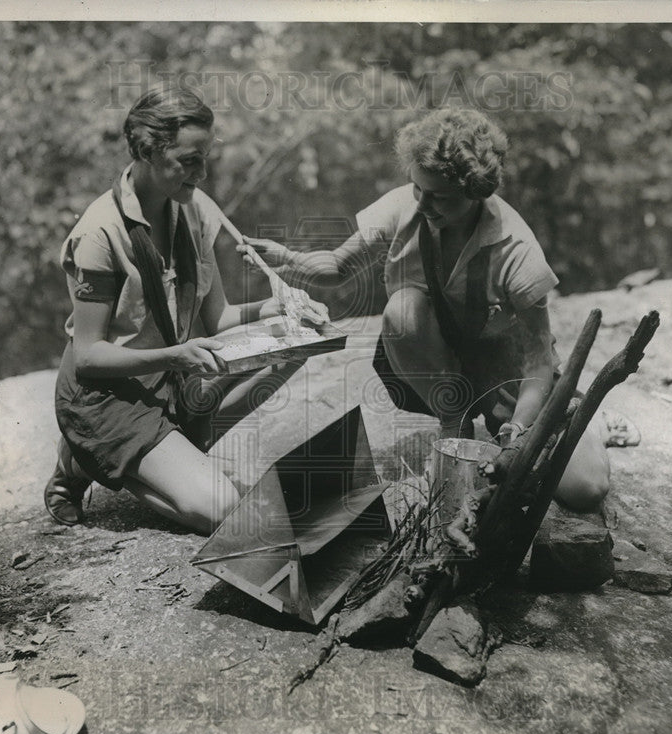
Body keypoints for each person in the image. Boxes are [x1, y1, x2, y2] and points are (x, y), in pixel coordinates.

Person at [242, 107, 628, 512]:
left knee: (585, 488)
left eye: (439, 197)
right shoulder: (404, 206)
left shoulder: (516, 249)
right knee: (401, 311)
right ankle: (453, 423)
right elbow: (339, 267)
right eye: (417, 188)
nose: (422, 203)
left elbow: (536, 363)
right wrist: (285, 258)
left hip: (507, 369)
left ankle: (593, 423)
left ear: (475, 192)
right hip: (443, 359)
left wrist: (516, 434)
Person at [44, 87, 327, 533]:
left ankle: (121, 455)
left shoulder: (193, 211)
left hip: (170, 380)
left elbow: (218, 320)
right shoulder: (100, 233)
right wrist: (174, 357)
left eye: (206, 157)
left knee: (294, 350)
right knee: (220, 510)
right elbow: (89, 356)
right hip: (108, 393)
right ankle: (88, 455)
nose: (203, 173)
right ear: (145, 151)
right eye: (190, 160)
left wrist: (281, 308)